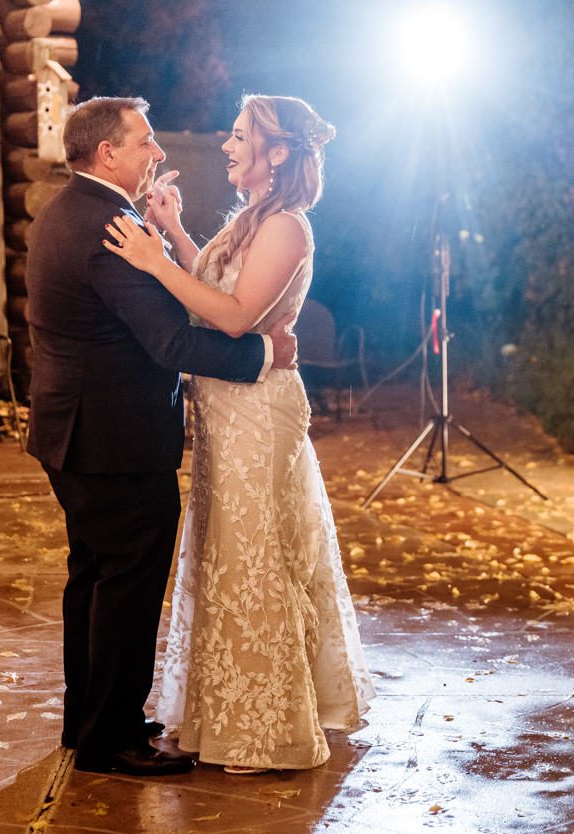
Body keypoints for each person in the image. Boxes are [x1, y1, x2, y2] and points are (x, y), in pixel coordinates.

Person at [27, 96, 299, 776]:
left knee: (92, 576)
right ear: (108, 154)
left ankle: (87, 718)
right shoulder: (112, 229)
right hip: (113, 441)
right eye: (145, 142)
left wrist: (171, 240)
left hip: (74, 431)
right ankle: (111, 737)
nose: (159, 153)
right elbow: (170, 340)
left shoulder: (72, 212)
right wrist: (267, 356)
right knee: (125, 581)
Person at [104, 94, 375, 774]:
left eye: (238, 135)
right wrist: (174, 233)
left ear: (276, 152)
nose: (226, 146)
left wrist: (153, 261)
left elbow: (232, 317)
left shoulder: (287, 227)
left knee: (253, 556)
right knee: (230, 554)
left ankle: (265, 727)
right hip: (226, 411)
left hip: (259, 413)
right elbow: (220, 284)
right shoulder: (252, 220)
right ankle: (233, 708)